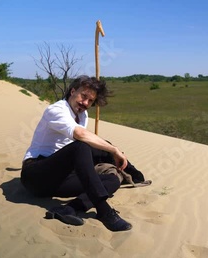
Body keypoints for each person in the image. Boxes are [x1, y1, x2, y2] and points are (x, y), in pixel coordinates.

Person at [20, 75, 131, 231]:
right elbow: (79, 135)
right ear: (72, 91)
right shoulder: (56, 110)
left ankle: (69, 209)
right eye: (83, 96)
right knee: (81, 146)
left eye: (90, 101)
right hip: (36, 175)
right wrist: (113, 150)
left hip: (59, 179)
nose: (85, 103)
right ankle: (104, 211)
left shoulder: (82, 115)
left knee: (112, 180)